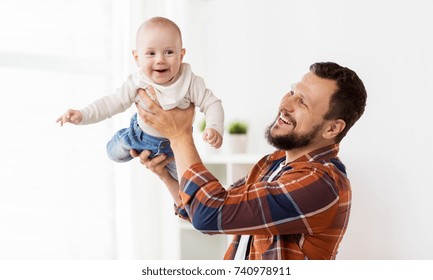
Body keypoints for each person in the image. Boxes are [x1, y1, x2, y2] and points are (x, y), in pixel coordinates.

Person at [132, 62, 367, 260]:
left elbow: (210, 214)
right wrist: (166, 173)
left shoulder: (321, 184)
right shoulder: (273, 163)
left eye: (302, 103)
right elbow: (207, 211)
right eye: (292, 92)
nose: (285, 105)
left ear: (333, 128)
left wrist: (179, 134)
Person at [56, 16, 224, 180]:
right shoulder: (137, 82)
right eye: (151, 53)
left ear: (181, 55)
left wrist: (214, 127)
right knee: (113, 153)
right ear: (137, 58)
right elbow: (110, 103)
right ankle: (125, 139)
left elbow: (212, 103)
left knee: (189, 189)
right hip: (138, 137)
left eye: (169, 52)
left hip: (174, 150)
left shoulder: (190, 82)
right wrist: (83, 115)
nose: (160, 60)